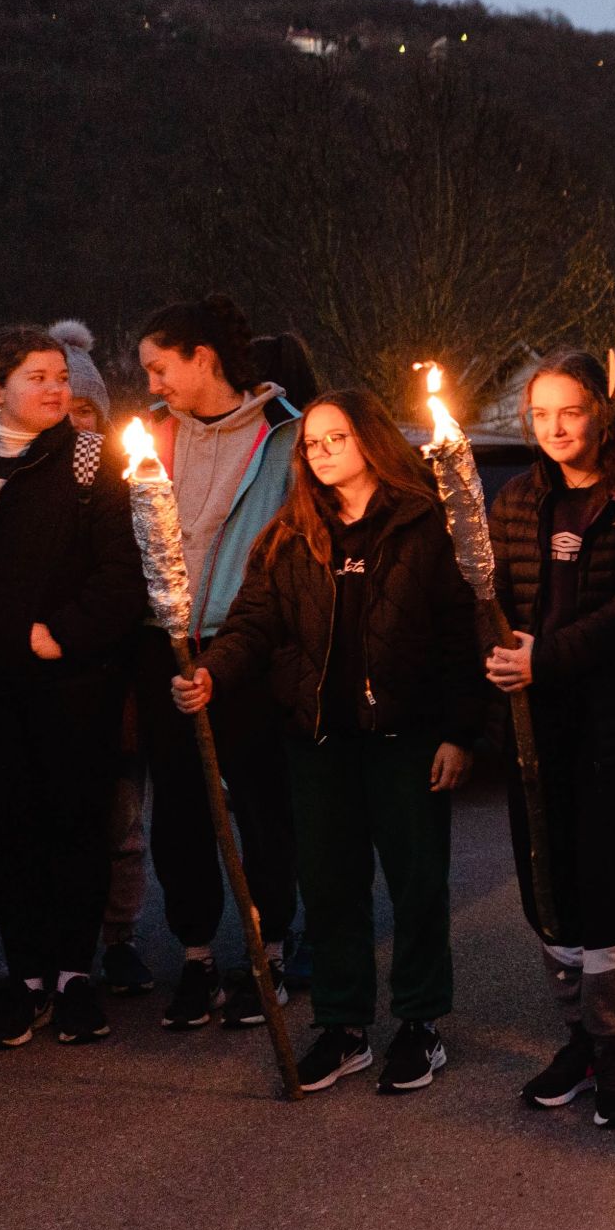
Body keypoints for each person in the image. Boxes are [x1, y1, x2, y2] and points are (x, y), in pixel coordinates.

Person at [173, 391, 477, 1094]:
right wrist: (212, 673)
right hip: (319, 739)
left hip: (405, 736)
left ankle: (420, 1023)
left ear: (370, 439)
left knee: (417, 883)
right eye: (312, 443)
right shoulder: (290, 533)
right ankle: (343, 1026)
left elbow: (460, 636)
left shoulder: (425, 525)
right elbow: (253, 622)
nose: (322, 452)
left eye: (336, 437)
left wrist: (461, 734)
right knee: (331, 885)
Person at [0, 329, 145, 1052]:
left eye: (60, 377)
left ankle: (75, 974)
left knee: (74, 825)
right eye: (38, 377)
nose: (56, 389)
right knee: (6, 828)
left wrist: (65, 632)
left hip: (71, 683)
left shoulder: (90, 459)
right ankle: (27, 977)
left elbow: (124, 570)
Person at [484, 352, 615, 1128]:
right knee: (551, 889)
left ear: (601, 412)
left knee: (611, 888)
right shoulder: (516, 499)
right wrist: (496, 656)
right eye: (540, 415)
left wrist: (549, 656)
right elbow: (488, 599)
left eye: (569, 411)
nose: (555, 428)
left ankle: (613, 1048)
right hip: (537, 729)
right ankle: (577, 1039)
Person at [133, 294, 303, 1031]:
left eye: (160, 367)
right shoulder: (152, 435)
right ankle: (197, 955)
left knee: (262, 802)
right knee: (179, 806)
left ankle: (271, 949)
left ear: (203, 358)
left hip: (250, 641)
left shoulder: (286, 434)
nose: (152, 384)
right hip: (165, 645)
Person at [47, 318, 154, 995]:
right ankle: (60, 947)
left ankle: (119, 936)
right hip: (51, 673)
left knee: (122, 820)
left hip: (115, 675)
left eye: (86, 411)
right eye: (64, 409)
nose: (74, 423)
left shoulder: (128, 481)